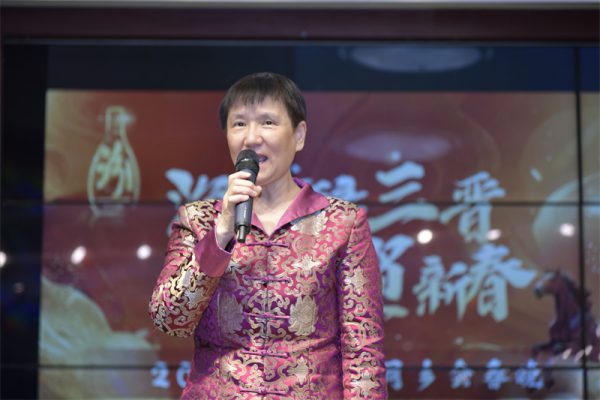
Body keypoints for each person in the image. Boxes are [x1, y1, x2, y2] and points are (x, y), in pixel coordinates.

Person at [149, 72, 387, 399]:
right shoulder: (199, 220)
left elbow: (363, 348)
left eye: (268, 123)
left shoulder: (343, 222)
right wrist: (221, 234)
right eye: (239, 124)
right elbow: (170, 319)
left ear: (299, 135)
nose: (252, 138)